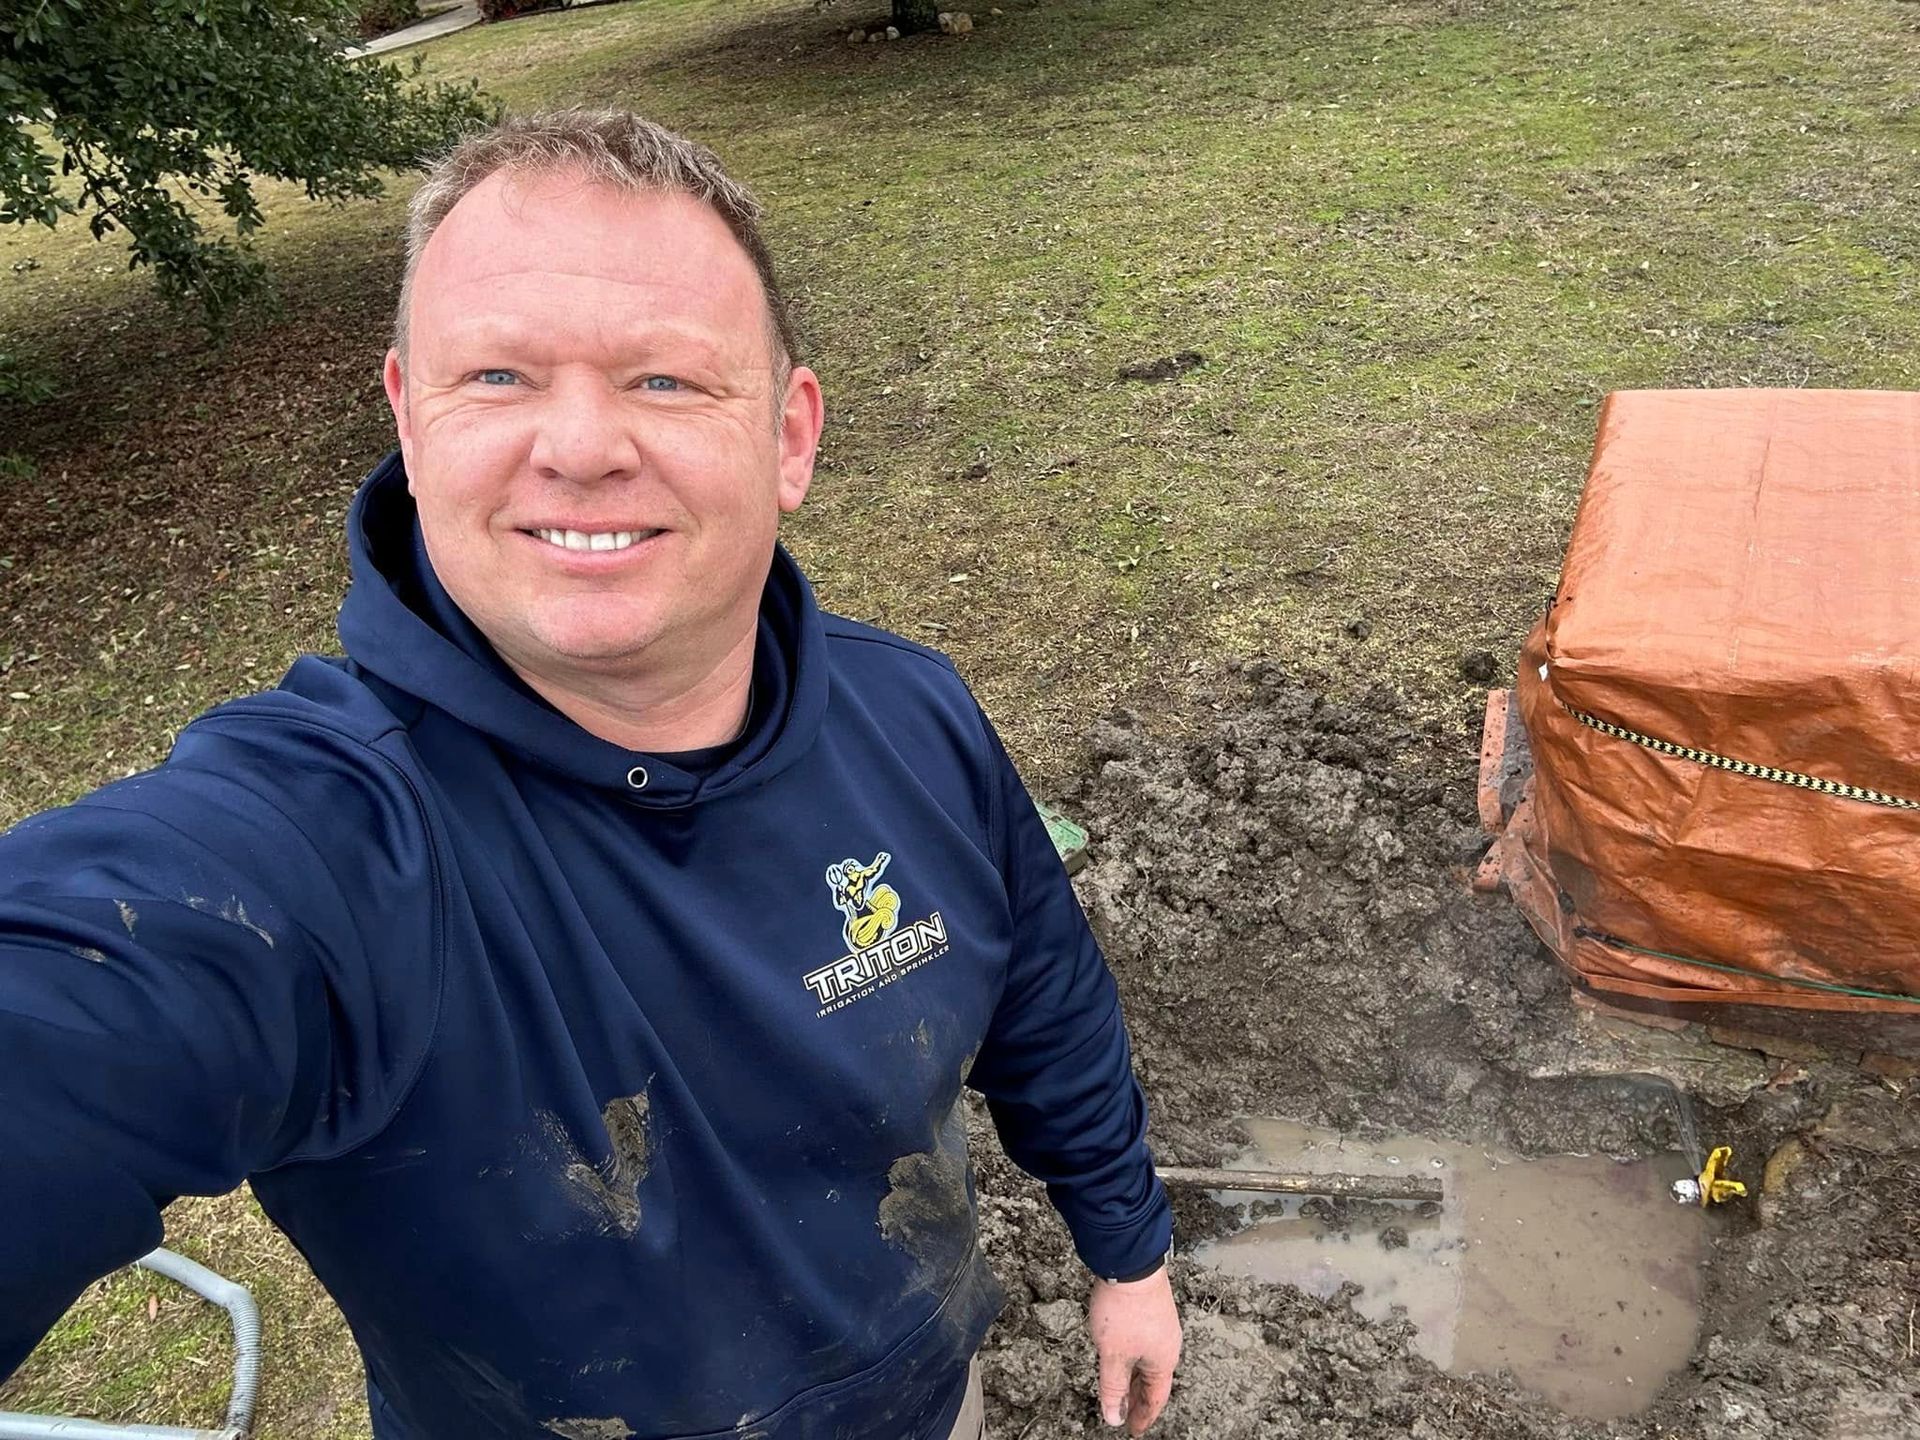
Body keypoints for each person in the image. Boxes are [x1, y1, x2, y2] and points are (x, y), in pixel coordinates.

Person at [0, 109, 1181, 1439]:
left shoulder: (912, 711)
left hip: (927, 1401)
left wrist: (1128, 1252)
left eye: (665, 380)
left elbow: (1044, 992)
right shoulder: (320, 848)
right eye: (497, 377)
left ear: (789, 436)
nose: (577, 446)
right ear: (409, 413)